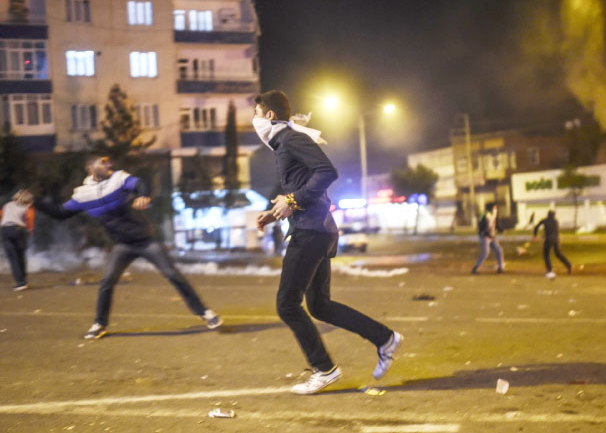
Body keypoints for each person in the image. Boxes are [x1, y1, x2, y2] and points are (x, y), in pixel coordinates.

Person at [253, 90, 402, 395]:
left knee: (286, 304)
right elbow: (306, 186)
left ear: (269, 116)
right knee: (319, 306)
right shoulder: (285, 142)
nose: (253, 121)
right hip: (317, 229)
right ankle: (385, 338)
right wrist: (276, 211)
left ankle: (324, 369)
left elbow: (326, 172)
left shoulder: (291, 139)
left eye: (256, 114)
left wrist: (292, 200)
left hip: (310, 232)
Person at [34, 155, 222, 339]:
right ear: (90, 169)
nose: (109, 163)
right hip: (122, 245)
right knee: (106, 282)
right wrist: (34, 202)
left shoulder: (118, 178)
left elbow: (141, 184)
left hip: (145, 240)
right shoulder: (83, 194)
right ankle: (99, 324)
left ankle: (205, 313)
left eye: (109, 161)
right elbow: (60, 213)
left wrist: (144, 196)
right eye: (103, 162)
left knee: (172, 274)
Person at [1, 189, 35, 291]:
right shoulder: (28, 207)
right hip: (19, 230)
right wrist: (30, 231)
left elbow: (1, 215)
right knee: (20, 256)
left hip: (5, 230)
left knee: (13, 258)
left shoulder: (7, 205)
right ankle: (23, 280)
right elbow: (29, 219)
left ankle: (20, 283)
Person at [532, 210, 572, 278]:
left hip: (548, 239)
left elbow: (536, 227)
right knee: (558, 253)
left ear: (548, 214)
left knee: (546, 255)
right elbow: (555, 231)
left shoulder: (544, 220)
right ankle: (568, 265)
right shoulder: (555, 221)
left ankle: (549, 270)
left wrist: (535, 235)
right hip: (556, 239)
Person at [472, 202, 504, 274]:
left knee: (499, 251)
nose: (495, 209)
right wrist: (483, 232)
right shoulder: (485, 214)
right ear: (490, 208)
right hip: (485, 237)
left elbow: (494, 224)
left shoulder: (493, 215)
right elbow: (482, 225)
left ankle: (500, 268)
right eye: (494, 208)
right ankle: (475, 268)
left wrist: (500, 229)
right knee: (485, 253)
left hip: (492, 236)